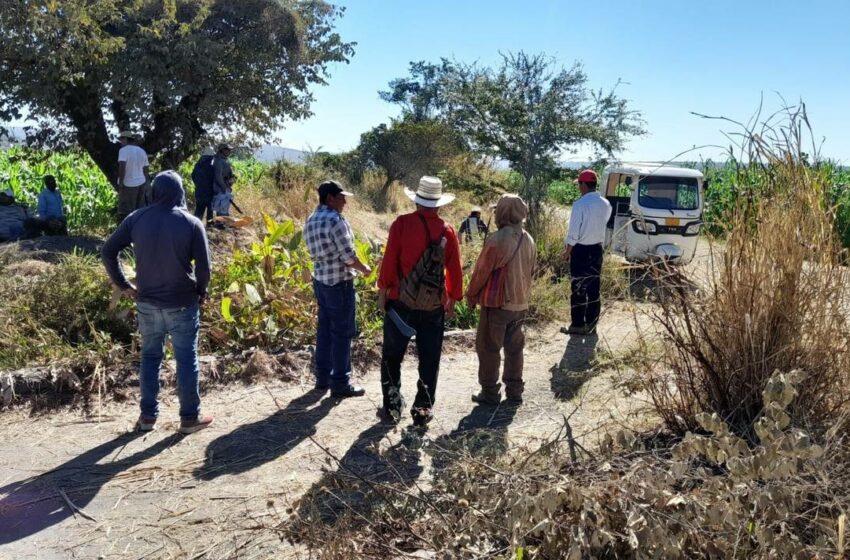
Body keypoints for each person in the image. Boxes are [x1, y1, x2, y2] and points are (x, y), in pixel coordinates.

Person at [101, 170, 213, 434]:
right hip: (182, 303)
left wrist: (125, 286)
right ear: (180, 192)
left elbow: (108, 252)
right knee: (186, 359)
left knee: (150, 358)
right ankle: (189, 419)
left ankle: (147, 418)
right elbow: (204, 268)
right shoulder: (191, 223)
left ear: (153, 192)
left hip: (148, 303)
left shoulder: (136, 218)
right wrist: (202, 290)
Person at [377, 176, 463, 426]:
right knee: (429, 358)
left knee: (392, 356)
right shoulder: (447, 231)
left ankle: (392, 406)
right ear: (438, 204)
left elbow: (389, 262)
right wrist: (453, 300)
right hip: (433, 306)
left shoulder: (401, 224)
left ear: (417, 202)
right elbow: (454, 270)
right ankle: (422, 408)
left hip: (400, 303)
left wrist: (383, 293)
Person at [304, 180, 373, 398]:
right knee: (343, 332)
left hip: (321, 281)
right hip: (339, 283)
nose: (345, 201)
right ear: (330, 198)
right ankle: (341, 382)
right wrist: (365, 269)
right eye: (341, 197)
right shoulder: (335, 220)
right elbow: (348, 256)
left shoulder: (311, 219)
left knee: (324, 330)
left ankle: (322, 378)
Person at [465, 194, 536, 405]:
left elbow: (481, 273)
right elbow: (531, 271)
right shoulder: (528, 239)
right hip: (520, 303)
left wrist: (471, 295)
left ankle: (490, 392)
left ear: (503, 213)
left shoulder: (497, 239)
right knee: (515, 350)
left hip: (498, 304)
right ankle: (515, 391)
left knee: (488, 349)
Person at [563, 169, 611, 335]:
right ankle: (591, 324)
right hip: (597, 249)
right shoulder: (606, 204)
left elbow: (574, 232)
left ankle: (577, 324)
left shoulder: (580, 204)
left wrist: (568, 251)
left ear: (583, 184)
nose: (579, 188)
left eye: (579, 184)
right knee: (594, 288)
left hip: (581, 250)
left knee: (578, 287)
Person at [116, 130, 150, 222]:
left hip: (128, 184)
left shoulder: (123, 151)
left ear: (127, 139)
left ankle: (126, 232)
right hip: (141, 183)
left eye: (122, 139)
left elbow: (122, 167)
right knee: (139, 210)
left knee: (126, 212)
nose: (121, 142)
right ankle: (139, 231)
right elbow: (146, 169)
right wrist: (146, 184)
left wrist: (121, 184)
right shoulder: (142, 151)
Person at [191, 148, 216, 225]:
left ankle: (194, 227)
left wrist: (198, 185)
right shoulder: (211, 167)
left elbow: (193, 176)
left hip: (199, 192)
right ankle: (210, 229)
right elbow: (213, 179)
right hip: (209, 193)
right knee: (210, 213)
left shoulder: (197, 165)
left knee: (198, 212)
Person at [211, 143, 236, 219]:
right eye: (227, 150)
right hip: (220, 189)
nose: (229, 151)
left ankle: (221, 224)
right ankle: (221, 225)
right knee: (222, 210)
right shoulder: (218, 161)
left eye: (230, 150)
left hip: (224, 187)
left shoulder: (223, 160)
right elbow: (218, 176)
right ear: (222, 150)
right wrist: (224, 187)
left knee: (223, 209)